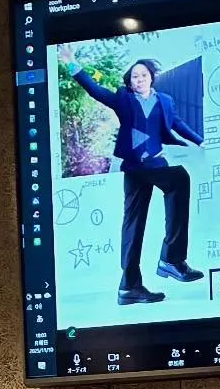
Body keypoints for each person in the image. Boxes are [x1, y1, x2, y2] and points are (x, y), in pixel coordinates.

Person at [65, 55, 203, 305]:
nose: (139, 79)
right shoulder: (123, 99)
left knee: (134, 222)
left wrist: (200, 141)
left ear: (151, 78)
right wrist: (72, 64)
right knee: (178, 180)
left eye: (143, 75)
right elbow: (96, 91)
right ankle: (171, 259)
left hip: (155, 162)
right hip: (134, 164)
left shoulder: (165, 101)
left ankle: (129, 287)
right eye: (134, 77)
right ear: (129, 82)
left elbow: (177, 124)